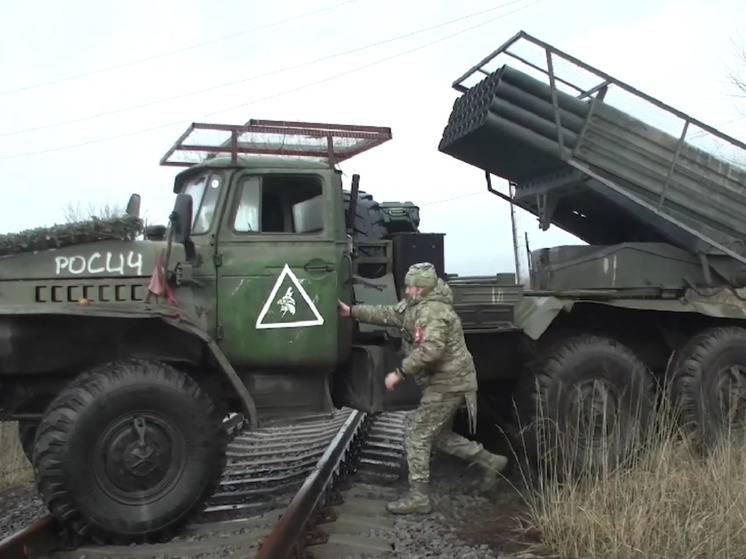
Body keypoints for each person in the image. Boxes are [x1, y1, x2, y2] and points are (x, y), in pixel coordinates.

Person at [338, 262, 508, 515]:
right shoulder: (416, 305)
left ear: (424, 289)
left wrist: (400, 373)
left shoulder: (434, 312)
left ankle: (419, 498)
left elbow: (431, 351)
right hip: (446, 382)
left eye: (412, 287)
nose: (407, 291)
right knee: (440, 436)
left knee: (417, 435)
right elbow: (388, 314)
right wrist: (351, 311)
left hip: (449, 383)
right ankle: (491, 461)